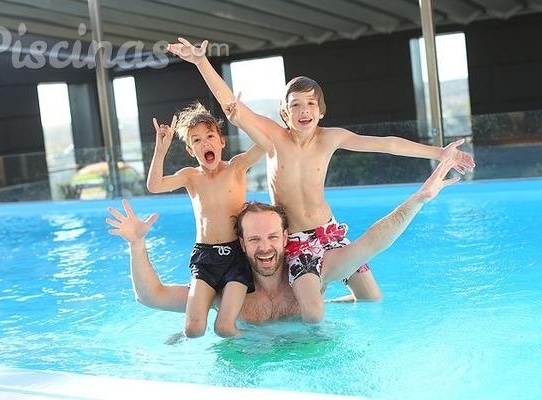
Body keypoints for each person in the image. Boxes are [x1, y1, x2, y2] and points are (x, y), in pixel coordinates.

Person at [167, 38, 476, 323]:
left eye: (311, 103)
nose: (304, 110)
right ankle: (314, 301)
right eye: (295, 105)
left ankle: (330, 297)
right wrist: (201, 62)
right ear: (285, 114)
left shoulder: (331, 138)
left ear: (321, 111)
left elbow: (386, 143)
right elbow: (230, 104)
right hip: (297, 240)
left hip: (329, 230)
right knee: (313, 315)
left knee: (371, 298)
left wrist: (438, 152)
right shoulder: (274, 137)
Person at [107, 157, 461, 330]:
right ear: (242, 244)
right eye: (255, 238)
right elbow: (150, 297)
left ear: (286, 238)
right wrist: (136, 246)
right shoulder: (224, 292)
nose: (265, 247)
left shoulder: (312, 274)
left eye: (273, 237)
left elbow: (371, 243)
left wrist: (419, 199)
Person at [144, 101, 270, 338]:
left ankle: (262, 343)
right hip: (205, 257)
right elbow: (154, 186)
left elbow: (266, 143)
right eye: (196, 140)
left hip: (236, 257)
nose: (205, 143)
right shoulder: (191, 176)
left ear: (222, 141)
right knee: (192, 330)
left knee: (223, 328)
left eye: (210, 136)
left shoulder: (236, 167)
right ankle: (197, 315)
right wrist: (161, 149)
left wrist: (240, 120)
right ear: (191, 151)